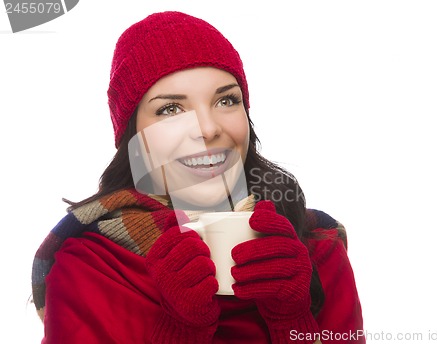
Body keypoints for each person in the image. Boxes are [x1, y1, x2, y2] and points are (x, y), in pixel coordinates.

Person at [31, 11, 365, 344]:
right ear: (133, 138)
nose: (207, 128)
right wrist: (180, 331)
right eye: (170, 109)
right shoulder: (88, 267)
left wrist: (293, 320)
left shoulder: (316, 247)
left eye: (226, 100)